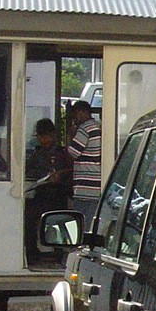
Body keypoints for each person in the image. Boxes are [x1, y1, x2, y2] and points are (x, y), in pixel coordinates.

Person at [24, 118, 73, 265]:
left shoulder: (61, 153)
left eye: (48, 136)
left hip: (58, 194)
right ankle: (31, 254)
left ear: (54, 136)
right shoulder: (36, 154)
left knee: (58, 220)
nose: (45, 140)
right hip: (41, 194)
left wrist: (60, 176)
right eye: (41, 137)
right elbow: (28, 170)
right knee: (29, 218)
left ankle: (60, 254)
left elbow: (71, 171)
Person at [66, 99, 102, 225]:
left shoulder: (84, 129)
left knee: (82, 225)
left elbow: (73, 153)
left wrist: (70, 136)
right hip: (97, 185)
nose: (74, 120)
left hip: (85, 189)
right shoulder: (98, 127)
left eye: (74, 116)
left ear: (81, 112)